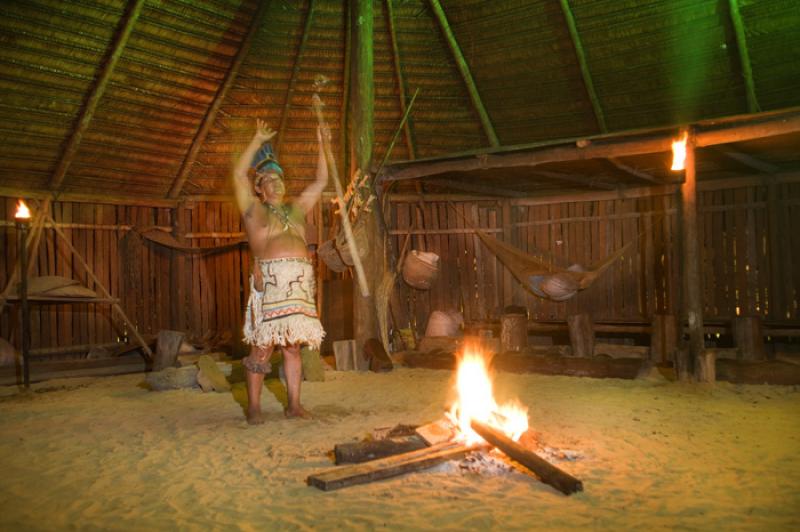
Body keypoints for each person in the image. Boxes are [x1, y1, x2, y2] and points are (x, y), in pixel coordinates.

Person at [233, 119, 328, 425]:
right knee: (262, 349)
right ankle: (255, 407)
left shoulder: (296, 209)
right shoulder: (254, 210)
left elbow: (321, 182)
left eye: (280, 178)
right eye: (270, 180)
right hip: (271, 283)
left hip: (299, 286)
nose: (277, 183)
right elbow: (237, 174)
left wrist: (323, 144)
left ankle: (294, 405)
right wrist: (256, 138)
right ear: (259, 188)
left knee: (292, 349)